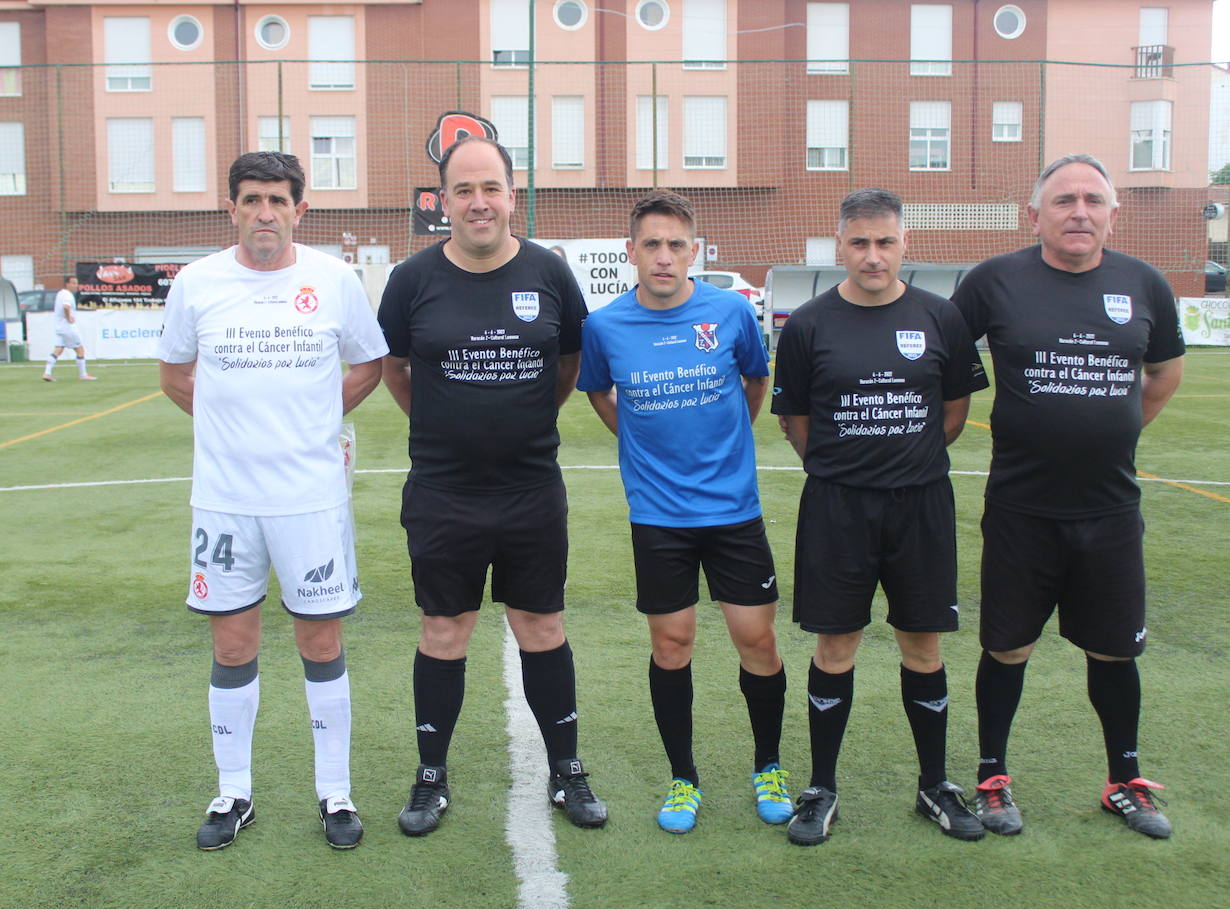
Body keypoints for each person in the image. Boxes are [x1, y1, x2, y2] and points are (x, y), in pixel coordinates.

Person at [158, 151, 387, 851]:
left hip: (310, 500)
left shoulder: (334, 278)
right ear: (231, 207)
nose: (265, 213)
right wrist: (236, 432)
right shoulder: (196, 284)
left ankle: (335, 792)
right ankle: (233, 791)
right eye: (252, 199)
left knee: (321, 640)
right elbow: (174, 375)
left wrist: (312, 422)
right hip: (225, 502)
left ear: (300, 209)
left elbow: (369, 363)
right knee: (233, 643)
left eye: (278, 200)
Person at [951, 154, 1185, 840]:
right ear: (1036, 215)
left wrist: (1113, 429)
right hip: (1022, 511)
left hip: (1111, 511)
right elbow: (943, 353)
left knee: (1116, 652)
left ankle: (1124, 779)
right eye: (1062, 200)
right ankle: (993, 777)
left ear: (1114, 212)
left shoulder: (1144, 283)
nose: (1078, 211)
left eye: (1092, 199)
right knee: (1008, 649)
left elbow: (1165, 370)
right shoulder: (995, 280)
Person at [378, 136, 607, 837]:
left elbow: (567, 365)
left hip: (530, 489)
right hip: (443, 491)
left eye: (491, 188)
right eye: (462, 190)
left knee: (541, 627)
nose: (478, 202)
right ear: (442, 200)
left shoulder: (550, 273)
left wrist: (522, 417)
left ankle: (567, 770)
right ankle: (430, 778)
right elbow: (395, 368)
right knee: (444, 630)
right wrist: (447, 423)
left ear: (513, 193)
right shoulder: (411, 280)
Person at [772, 188, 989, 846]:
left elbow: (952, 413)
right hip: (838, 507)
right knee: (835, 646)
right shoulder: (808, 324)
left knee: (922, 646)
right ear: (839, 245)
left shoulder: (940, 317)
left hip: (921, 505)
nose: (873, 255)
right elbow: (795, 421)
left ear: (904, 243)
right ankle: (822, 788)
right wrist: (850, 467)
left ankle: (933, 785)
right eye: (859, 242)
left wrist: (906, 461)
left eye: (885, 242)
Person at [577, 189, 789, 834]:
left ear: (693, 251)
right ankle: (683, 777)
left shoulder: (730, 313)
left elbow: (756, 382)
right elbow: (598, 392)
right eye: (651, 245)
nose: (663, 257)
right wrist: (641, 444)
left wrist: (730, 443)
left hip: (733, 510)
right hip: (658, 515)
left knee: (757, 640)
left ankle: (769, 766)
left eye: (675, 245)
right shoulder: (605, 326)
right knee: (672, 645)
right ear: (630, 252)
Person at [43, 276, 96, 381]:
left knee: (58, 350)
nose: (76, 285)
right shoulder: (67, 295)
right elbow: (66, 307)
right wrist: (69, 318)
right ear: (67, 284)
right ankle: (83, 375)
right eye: (73, 283)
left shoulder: (60, 293)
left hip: (59, 327)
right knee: (80, 350)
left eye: (76, 283)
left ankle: (47, 373)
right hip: (67, 327)